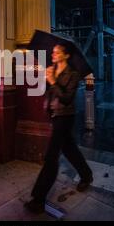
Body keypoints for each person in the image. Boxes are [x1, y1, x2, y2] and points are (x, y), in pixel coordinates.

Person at [24, 44, 93, 214]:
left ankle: (38, 199)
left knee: (51, 158)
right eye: (53, 51)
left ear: (66, 55)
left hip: (65, 117)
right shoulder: (51, 69)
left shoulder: (73, 74)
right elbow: (50, 92)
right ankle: (86, 175)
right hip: (55, 115)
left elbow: (67, 99)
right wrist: (46, 78)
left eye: (57, 52)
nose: (53, 54)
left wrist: (53, 81)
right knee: (69, 149)